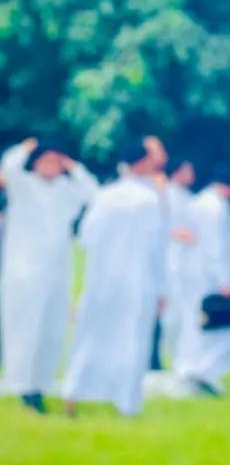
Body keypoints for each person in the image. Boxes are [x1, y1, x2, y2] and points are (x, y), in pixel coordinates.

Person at [61, 137, 169, 417]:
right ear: (142, 162)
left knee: (89, 335)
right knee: (133, 338)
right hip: (138, 279)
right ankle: (127, 402)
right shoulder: (149, 199)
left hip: (101, 279)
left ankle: (72, 393)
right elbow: (157, 248)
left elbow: (86, 236)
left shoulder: (105, 195)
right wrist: (162, 290)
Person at [0, 137, 98, 412]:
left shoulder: (66, 190)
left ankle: (41, 384)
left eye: (57, 161)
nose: (51, 166)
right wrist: (26, 148)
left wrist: (72, 167)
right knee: (25, 329)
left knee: (52, 330)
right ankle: (23, 386)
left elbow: (92, 192)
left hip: (57, 270)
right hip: (24, 271)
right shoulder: (23, 184)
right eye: (47, 160)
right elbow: (9, 166)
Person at [172, 180, 230, 397]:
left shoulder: (197, 202)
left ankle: (187, 369)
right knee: (220, 327)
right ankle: (203, 372)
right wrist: (225, 280)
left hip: (193, 272)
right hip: (210, 276)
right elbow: (215, 246)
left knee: (192, 322)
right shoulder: (215, 206)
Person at [160, 160, 199, 367]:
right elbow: (162, 225)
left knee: (184, 313)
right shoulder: (166, 194)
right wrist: (178, 233)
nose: (191, 175)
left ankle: (181, 359)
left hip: (186, 262)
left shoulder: (189, 197)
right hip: (169, 260)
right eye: (187, 171)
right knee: (170, 314)